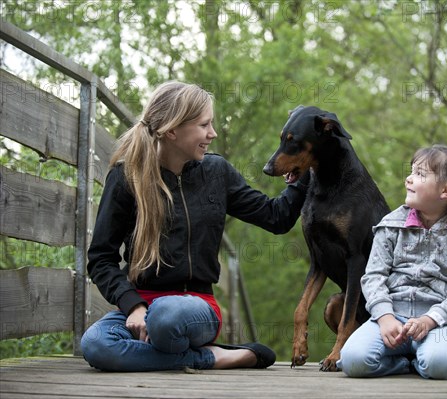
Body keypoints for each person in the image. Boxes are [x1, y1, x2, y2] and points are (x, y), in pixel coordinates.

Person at [81, 81, 309, 372]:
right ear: (173, 130)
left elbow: (276, 217)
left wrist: (307, 165)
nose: (212, 133)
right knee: (96, 344)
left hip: (196, 307)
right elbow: (101, 258)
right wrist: (134, 306)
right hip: (140, 306)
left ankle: (159, 350)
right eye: (204, 125)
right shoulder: (126, 177)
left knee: (166, 318)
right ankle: (214, 357)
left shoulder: (217, 172)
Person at [336, 145, 447, 379]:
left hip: (436, 323)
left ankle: (424, 359)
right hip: (390, 319)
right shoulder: (390, 226)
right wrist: (384, 316)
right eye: (411, 171)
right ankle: (404, 364)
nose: (409, 179)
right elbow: (373, 276)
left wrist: (431, 320)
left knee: (442, 365)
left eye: (420, 174)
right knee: (353, 361)